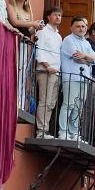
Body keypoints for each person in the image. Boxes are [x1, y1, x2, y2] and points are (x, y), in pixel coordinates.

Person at [32, 7, 64, 136]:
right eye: (55, 15)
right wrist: (47, 66)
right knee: (44, 101)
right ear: (49, 17)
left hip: (56, 72)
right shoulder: (43, 31)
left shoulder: (58, 36)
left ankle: (45, 129)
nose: (58, 17)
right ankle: (41, 131)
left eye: (60, 15)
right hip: (45, 71)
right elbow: (39, 50)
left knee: (51, 103)